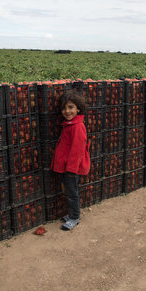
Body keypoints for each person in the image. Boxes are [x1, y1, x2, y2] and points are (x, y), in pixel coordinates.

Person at [51, 91, 91, 231]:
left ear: (78, 108)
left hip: (71, 169)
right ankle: (72, 214)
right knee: (68, 191)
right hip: (65, 167)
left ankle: (75, 217)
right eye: (64, 108)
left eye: (70, 107)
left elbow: (77, 150)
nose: (67, 111)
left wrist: (71, 169)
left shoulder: (78, 127)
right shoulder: (69, 124)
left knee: (72, 192)